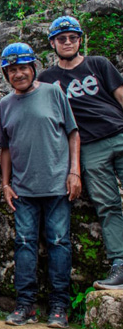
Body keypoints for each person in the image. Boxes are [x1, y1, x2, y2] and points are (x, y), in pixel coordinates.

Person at [0, 43, 81, 328]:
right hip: (23, 190)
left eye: (23, 68)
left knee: (59, 243)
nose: (18, 74)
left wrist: (75, 172)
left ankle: (59, 307)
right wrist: (5, 184)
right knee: (23, 245)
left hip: (57, 185)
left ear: (33, 68)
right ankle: (25, 306)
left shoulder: (53, 92)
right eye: (12, 70)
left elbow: (73, 133)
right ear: (6, 74)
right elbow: (4, 148)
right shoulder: (5, 105)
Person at [38, 16, 123, 290]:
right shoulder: (47, 80)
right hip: (88, 147)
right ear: (52, 43)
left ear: (79, 39)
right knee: (108, 205)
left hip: (119, 133)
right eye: (61, 39)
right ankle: (120, 263)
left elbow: (121, 95)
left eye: (72, 37)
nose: (67, 42)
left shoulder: (98, 64)